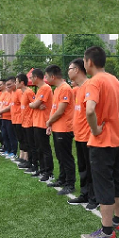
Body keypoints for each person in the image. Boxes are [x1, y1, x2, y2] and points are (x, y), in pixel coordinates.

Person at [80, 45, 119, 238]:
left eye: (84, 61)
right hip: (117, 140)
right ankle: (118, 220)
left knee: (104, 185)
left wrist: (95, 130)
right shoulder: (114, 79)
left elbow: (90, 110)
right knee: (116, 180)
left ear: (89, 62)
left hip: (102, 142)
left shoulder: (94, 82)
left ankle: (107, 232)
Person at [67, 58, 98, 210]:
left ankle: (94, 197)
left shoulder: (89, 86)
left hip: (88, 136)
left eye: (69, 69)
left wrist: (93, 131)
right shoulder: (79, 89)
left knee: (91, 169)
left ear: (77, 70)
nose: (68, 72)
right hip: (79, 136)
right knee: (83, 168)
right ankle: (85, 194)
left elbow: (93, 111)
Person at [45, 64, 76, 194]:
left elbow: (60, 111)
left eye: (46, 76)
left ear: (52, 76)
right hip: (57, 127)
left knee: (66, 156)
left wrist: (49, 122)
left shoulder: (65, 88)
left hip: (65, 128)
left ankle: (70, 183)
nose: (45, 79)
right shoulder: (57, 89)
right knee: (60, 155)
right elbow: (54, 109)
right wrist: (50, 125)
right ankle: (62, 179)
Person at [29, 68, 55, 183]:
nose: (31, 79)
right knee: (39, 148)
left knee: (45, 148)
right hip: (37, 122)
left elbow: (35, 104)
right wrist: (34, 105)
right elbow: (35, 104)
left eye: (31, 77)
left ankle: (49, 172)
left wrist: (33, 105)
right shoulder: (40, 89)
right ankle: (43, 169)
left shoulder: (45, 88)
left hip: (43, 122)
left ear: (36, 77)